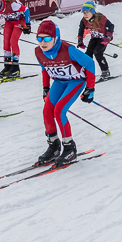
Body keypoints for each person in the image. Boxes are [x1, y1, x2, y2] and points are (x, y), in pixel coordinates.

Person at [34, 19, 97, 166]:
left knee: (59, 110)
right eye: (39, 38)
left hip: (75, 81)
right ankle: (54, 146)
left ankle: (69, 148)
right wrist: (45, 88)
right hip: (59, 82)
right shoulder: (38, 52)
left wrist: (90, 87)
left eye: (47, 39)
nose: (43, 43)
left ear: (55, 38)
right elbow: (45, 69)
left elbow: (89, 63)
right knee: (47, 111)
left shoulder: (68, 50)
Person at [0, 0, 31, 78]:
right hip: (9, 21)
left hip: (19, 20)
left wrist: (27, 25)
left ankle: (15, 68)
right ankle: (7, 66)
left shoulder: (12, 5)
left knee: (13, 41)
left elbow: (26, 9)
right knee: (6, 41)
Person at [77, 1, 115, 79]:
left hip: (103, 39)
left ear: (92, 11)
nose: (85, 14)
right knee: (88, 54)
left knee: (98, 53)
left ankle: (105, 71)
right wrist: (80, 41)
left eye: (86, 12)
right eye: (83, 12)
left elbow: (111, 26)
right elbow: (81, 29)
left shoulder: (101, 18)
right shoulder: (84, 20)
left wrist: (108, 37)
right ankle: (87, 71)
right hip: (94, 38)